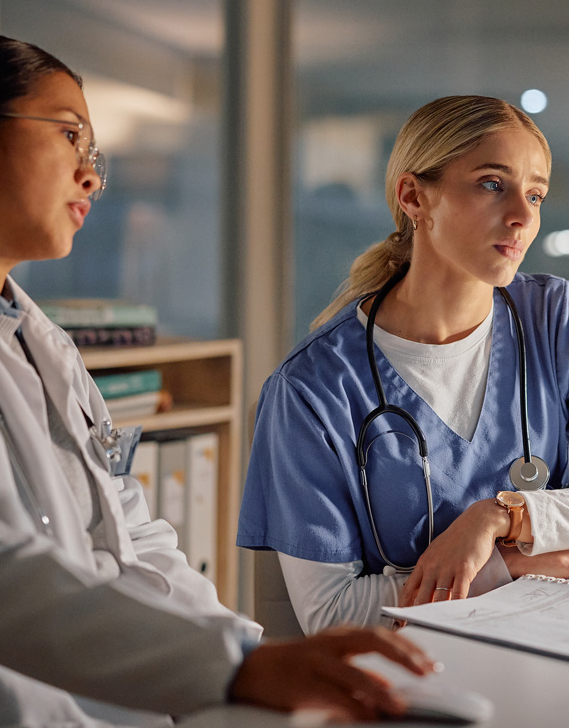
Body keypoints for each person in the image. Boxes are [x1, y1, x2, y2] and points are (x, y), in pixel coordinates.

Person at [0, 32, 436, 728]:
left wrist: (250, 652)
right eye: (70, 135)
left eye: (93, 153)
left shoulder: (46, 348)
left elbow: (131, 539)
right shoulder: (314, 383)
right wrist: (235, 667)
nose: (92, 177)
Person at [237, 94, 569, 635]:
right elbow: (332, 614)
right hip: (409, 678)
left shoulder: (554, 321)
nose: (523, 216)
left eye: (536, 194)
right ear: (414, 197)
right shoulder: (312, 390)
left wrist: (498, 518)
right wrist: (518, 562)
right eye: (492, 184)